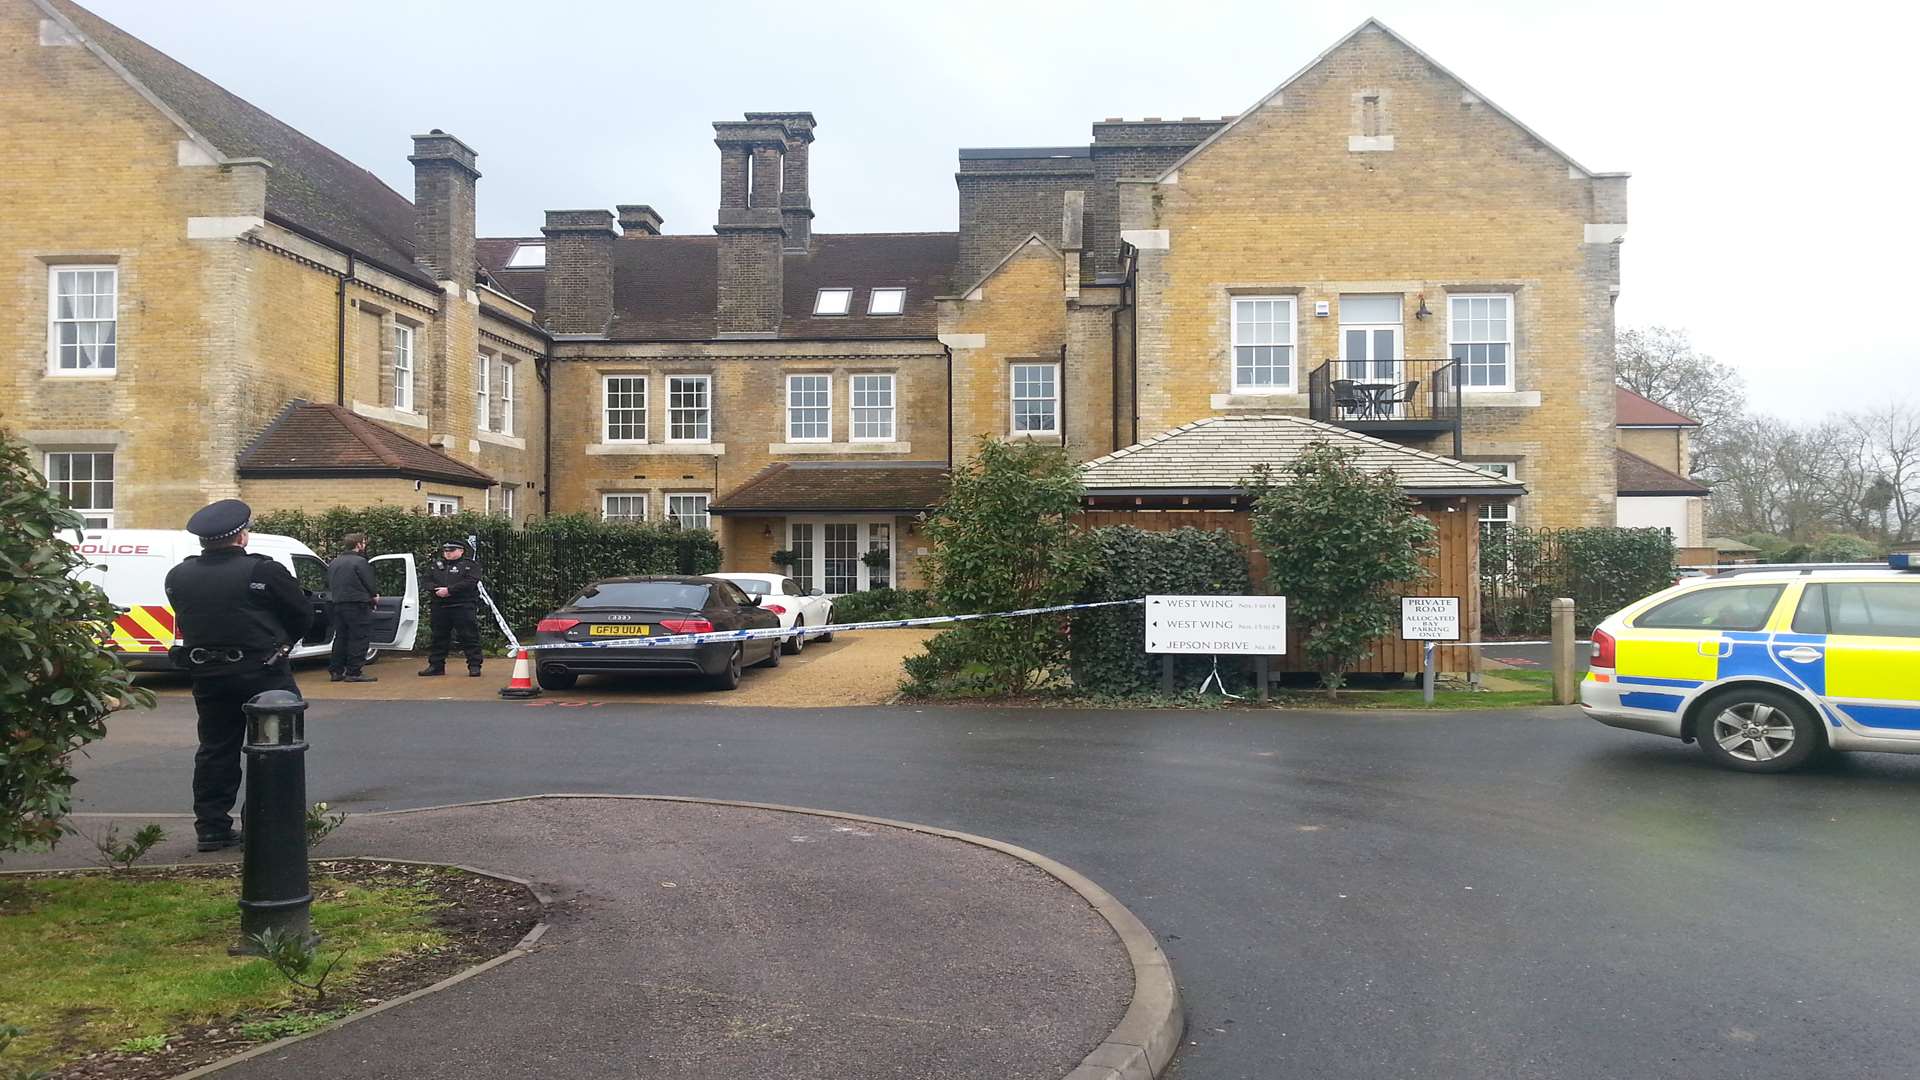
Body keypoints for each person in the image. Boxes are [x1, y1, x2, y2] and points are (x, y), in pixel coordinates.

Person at [163, 499, 311, 852]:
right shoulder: (263, 572)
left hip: (208, 674)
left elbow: (187, 617)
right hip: (263, 673)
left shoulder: (179, 575)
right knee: (274, 749)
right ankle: (265, 827)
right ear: (242, 536)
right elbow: (302, 615)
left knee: (215, 749)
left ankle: (212, 827)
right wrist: (282, 641)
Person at [419, 539, 485, 676]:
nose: (448, 554)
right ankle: (436, 666)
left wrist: (450, 590)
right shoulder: (435, 565)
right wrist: (436, 589)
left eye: (452, 551)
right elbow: (425, 580)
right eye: (446, 551)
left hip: (462, 605)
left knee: (469, 636)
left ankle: (474, 665)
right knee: (438, 637)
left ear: (461, 551)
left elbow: (471, 581)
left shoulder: (469, 565)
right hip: (440, 606)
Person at [325, 532, 379, 683]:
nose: (365, 545)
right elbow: (368, 582)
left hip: (338, 604)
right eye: (363, 542)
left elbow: (328, 582)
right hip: (358, 604)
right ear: (358, 545)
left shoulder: (334, 562)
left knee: (341, 638)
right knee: (359, 638)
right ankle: (354, 672)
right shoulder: (360, 562)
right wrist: (374, 595)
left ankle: (336, 671)